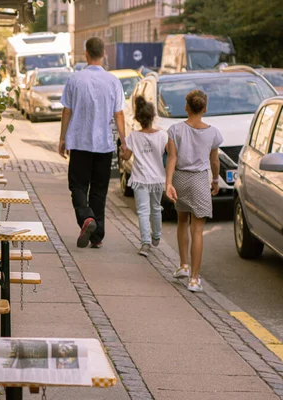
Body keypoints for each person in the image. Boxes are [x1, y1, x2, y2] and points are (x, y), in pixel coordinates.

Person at [58, 37, 126, 248]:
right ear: (103, 54)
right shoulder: (113, 81)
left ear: (86, 54)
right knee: (99, 190)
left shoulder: (75, 80)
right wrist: (124, 142)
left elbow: (66, 111)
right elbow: (119, 114)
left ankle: (86, 218)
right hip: (104, 145)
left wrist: (62, 138)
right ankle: (97, 237)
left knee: (78, 186)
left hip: (79, 142)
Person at [165, 89, 222, 292]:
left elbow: (171, 158)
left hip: (180, 178)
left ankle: (183, 265)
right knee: (197, 229)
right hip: (199, 180)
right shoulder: (213, 133)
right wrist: (215, 180)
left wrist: (168, 183)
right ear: (205, 108)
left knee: (182, 221)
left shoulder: (175, 130)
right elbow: (214, 160)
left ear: (186, 107)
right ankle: (195, 280)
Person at [120, 96, 168, 257]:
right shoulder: (162, 135)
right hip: (157, 179)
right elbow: (170, 153)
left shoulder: (134, 136)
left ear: (138, 119)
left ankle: (145, 243)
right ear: (153, 117)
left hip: (140, 178)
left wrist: (122, 150)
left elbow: (126, 157)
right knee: (156, 208)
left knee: (142, 211)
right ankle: (157, 236)